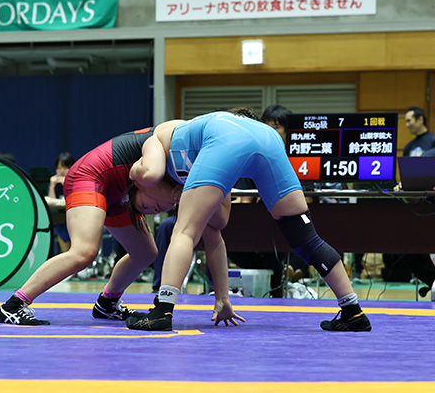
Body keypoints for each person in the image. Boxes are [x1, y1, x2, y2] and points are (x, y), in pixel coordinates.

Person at [126, 109, 372, 332]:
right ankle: (353, 312)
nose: (153, 209)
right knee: (306, 237)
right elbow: (218, 225)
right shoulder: (212, 135)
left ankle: (162, 311)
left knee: (184, 231)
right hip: (269, 141)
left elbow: (150, 174)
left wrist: (133, 172)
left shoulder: (156, 139)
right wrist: (222, 298)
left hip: (226, 141)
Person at [0, 127, 183, 325]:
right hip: (90, 176)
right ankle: (13, 306)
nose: (156, 211)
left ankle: (107, 303)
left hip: (120, 190)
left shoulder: (183, 147)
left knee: (145, 253)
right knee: (84, 251)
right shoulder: (175, 139)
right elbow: (151, 178)